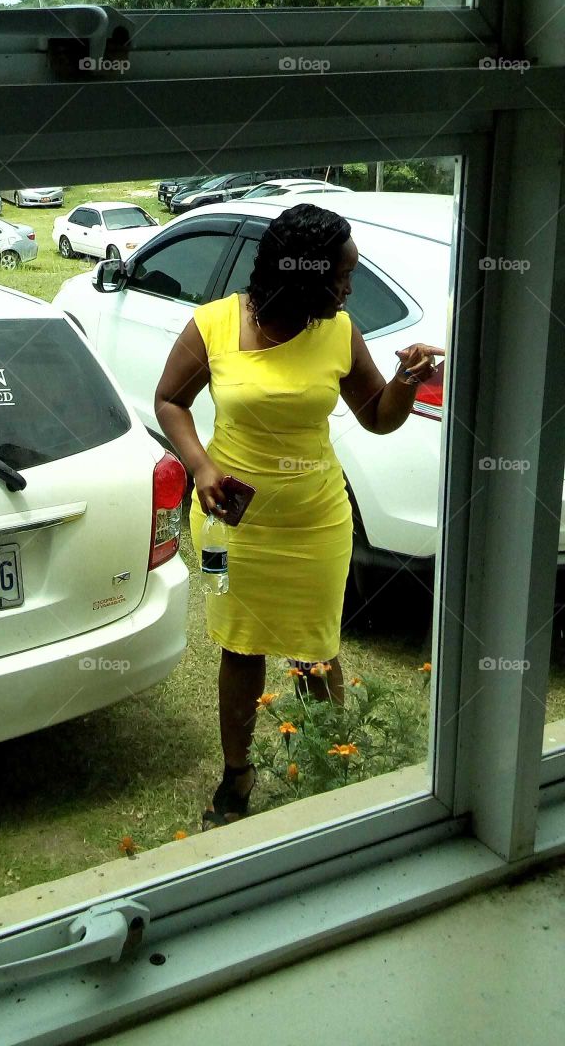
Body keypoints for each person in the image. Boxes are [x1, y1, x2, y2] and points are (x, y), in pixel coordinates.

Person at [153, 204, 444, 829]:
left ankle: (327, 769)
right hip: (235, 523)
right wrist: (201, 468)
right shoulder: (215, 325)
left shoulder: (339, 332)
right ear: (304, 274)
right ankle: (238, 775)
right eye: (342, 274)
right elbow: (170, 400)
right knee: (241, 648)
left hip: (316, 522)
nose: (348, 287)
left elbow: (378, 416)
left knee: (316, 651)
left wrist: (406, 381)